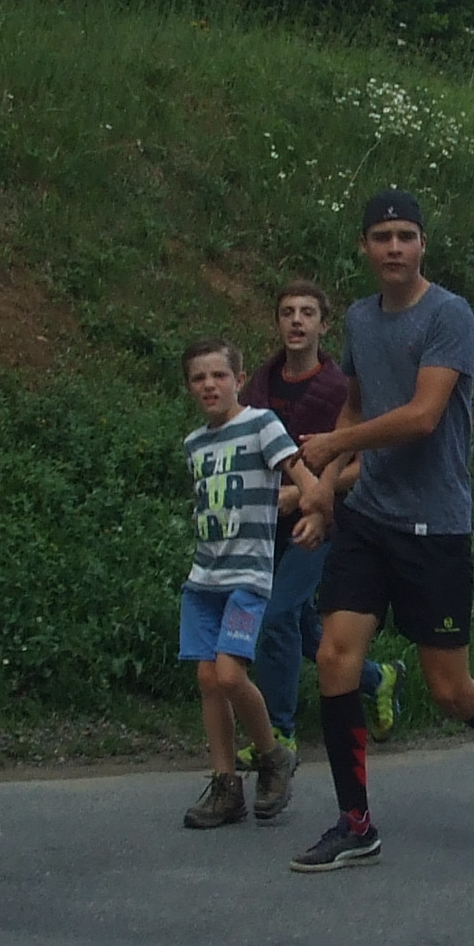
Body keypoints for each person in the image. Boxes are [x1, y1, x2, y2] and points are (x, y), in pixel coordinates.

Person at [290, 189, 474, 871]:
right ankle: (355, 824)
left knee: (448, 689)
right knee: (335, 658)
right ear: (365, 247)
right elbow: (355, 406)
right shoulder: (358, 318)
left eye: (406, 236)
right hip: (369, 519)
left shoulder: (449, 315)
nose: (395, 248)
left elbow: (421, 415)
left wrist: (331, 448)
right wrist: (325, 489)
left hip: (435, 527)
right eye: (382, 237)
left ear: (423, 246)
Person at [242, 282, 403, 760]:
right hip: (267, 519)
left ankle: (279, 734)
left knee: (276, 617)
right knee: (301, 624)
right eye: (287, 312)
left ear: (323, 325)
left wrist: (306, 494)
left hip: (324, 522)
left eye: (307, 313)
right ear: (277, 322)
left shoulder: (339, 391)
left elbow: (363, 466)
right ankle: (377, 678)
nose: (296, 321)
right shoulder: (261, 384)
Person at [173, 338, 302, 828]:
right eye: (199, 378)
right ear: (189, 387)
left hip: (248, 576)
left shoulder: (261, 424)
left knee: (230, 675)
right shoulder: (194, 444)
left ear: (239, 379)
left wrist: (316, 507)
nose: (209, 385)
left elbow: (300, 474)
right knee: (208, 680)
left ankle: (273, 756)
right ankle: (226, 786)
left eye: (219, 375)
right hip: (204, 577)